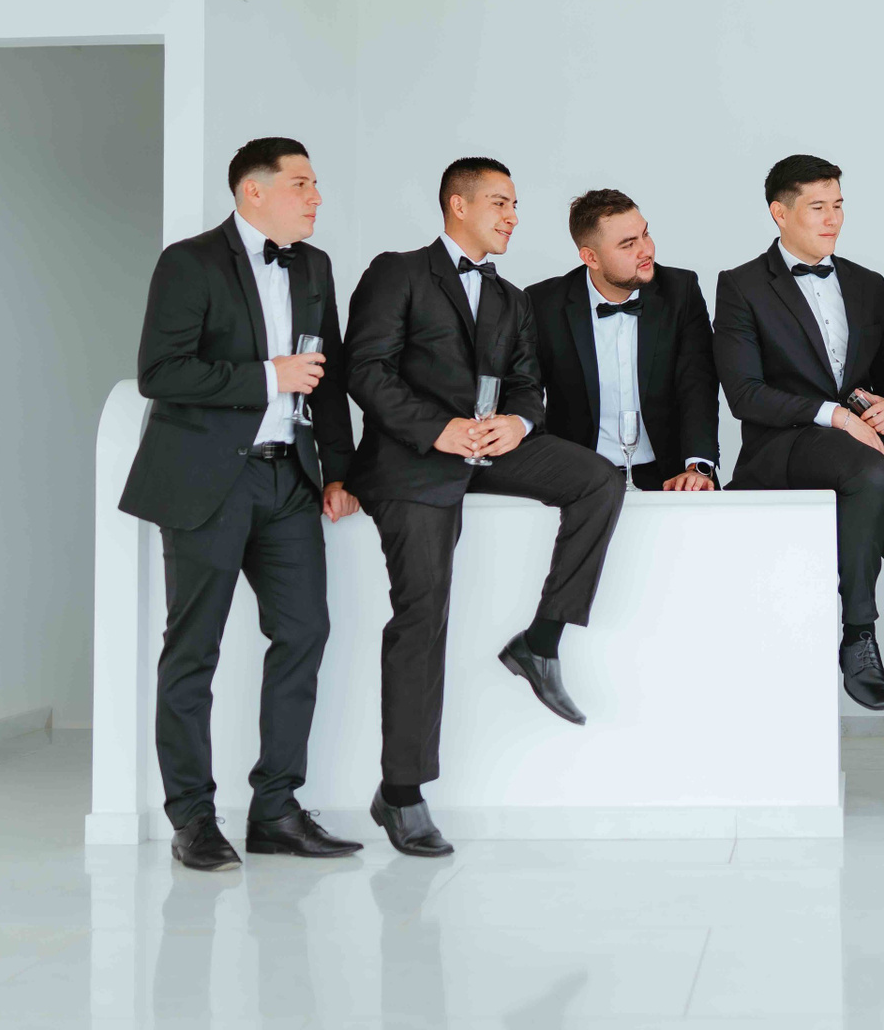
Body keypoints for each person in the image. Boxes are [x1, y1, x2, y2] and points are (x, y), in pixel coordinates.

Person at [344, 156, 625, 857]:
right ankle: (401, 794)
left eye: (515, 204)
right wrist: (436, 429)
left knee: (598, 480)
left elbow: (528, 384)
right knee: (424, 614)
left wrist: (518, 425)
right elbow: (366, 371)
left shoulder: (511, 299)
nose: (513, 216)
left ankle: (541, 641)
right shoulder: (398, 272)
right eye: (501, 202)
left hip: (487, 449)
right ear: (458, 204)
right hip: (413, 460)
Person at [120, 136, 363, 871]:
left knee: (305, 632)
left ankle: (276, 810)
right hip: (207, 482)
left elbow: (329, 377)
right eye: (301, 184)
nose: (316, 197)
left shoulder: (315, 266)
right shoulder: (189, 262)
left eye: (315, 184)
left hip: (289, 480)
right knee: (193, 649)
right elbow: (160, 372)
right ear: (253, 191)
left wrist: (338, 472)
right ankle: (192, 817)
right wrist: (267, 376)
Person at [713, 154, 884, 817]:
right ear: (780, 213)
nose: (832, 219)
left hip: (866, 457)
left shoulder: (867, 284)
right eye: (817, 207)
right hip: (783, 451)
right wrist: (833, 416)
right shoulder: (741, 285)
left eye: (838, 206)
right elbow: (744, 394)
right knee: (866, 467)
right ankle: (859, 631)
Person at [525, 189, 719, 491]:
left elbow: (698, 385)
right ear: (591, 257)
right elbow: (526, 389)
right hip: (577, 477)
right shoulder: (543, 303)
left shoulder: (681, 291)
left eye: (645, 235)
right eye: (628, 244)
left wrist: (698, 467)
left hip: (670, 474)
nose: (646, 250)